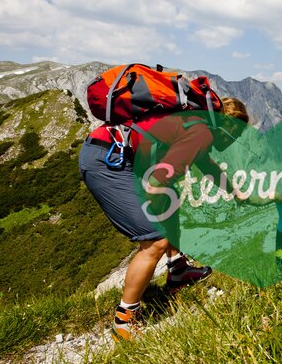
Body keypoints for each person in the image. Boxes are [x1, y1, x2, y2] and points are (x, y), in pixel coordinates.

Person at [78, 96, 250, 341]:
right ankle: (124, 321)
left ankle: (178, 271)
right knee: (156, 240)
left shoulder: (197, 127)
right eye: (237, 133)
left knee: (171, 200)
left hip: (113, 151)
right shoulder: (201, 134)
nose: (236, 140)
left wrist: (236, 192)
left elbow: (207, 165)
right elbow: (157, 182)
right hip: (106, 160)